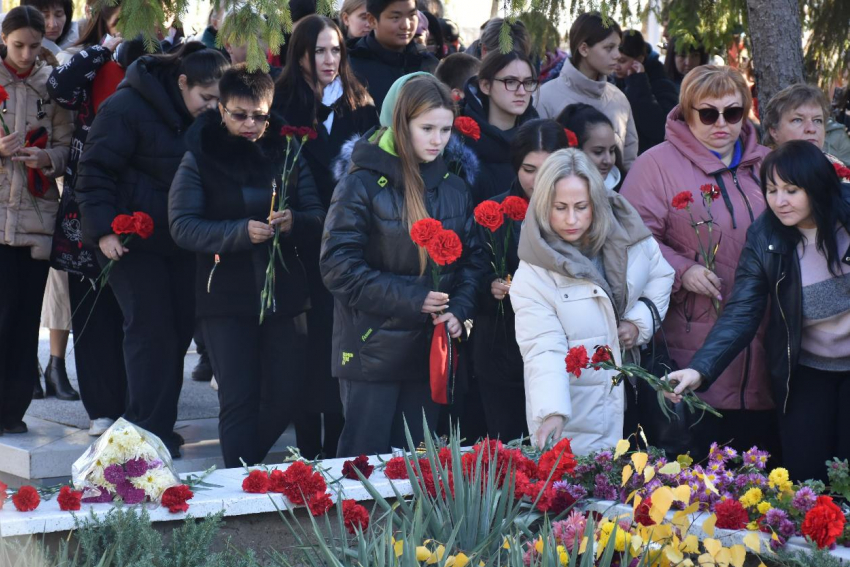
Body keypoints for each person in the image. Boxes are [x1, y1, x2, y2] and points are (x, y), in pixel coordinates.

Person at [76, 43, 230, 457]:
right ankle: (144, 432)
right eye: (207, 98)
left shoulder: (205, 117)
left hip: (181, 239)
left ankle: (158, 426)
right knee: (150, 330)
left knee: (179, 330)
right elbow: (94, 170)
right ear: (182, 82)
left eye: (221, 100)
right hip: (129, 241)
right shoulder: (127, 106)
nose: (214, 108)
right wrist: (104, 230)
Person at [320, 74, 486, 457]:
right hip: (371, 350)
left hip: (428, 353)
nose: (437, 139)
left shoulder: (454, 187)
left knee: (415, 468)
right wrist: (415, 298)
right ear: (400, 123)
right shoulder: (359, 184)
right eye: (426, 128)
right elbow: (337, 266)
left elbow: (473, 262)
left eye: (445, 129)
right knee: (364, 468)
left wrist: (460, 311)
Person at [666, 141, 850, 482]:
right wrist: (700, 370)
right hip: (806, 371)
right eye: (771, 190)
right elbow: (742, 311)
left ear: (817, 186)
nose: (780, 201)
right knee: (807, 474)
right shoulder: (766, 235)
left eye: (791, 190)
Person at [169, 67, 324, 468]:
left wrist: (295, 222)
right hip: (226, 295)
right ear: (221, 110)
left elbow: (317, 215)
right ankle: (241, 481)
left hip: (286, 293)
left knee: (287, 392)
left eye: (260, 116)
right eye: (240, 115)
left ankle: (244, 472)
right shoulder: (200, 155)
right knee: (238, 396)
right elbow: (182, 225)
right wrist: (239, 232)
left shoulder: (287, 151)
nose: (251, 124)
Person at [620, 65, 776, 462]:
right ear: (687, 112)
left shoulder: (768, 165)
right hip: (689, 342)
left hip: (763, 344)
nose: (722, 123)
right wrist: (682, 269)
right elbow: (631, 239)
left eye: (733, 112)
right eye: (708, 113)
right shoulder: (655, 166)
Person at [511, 148, 674, 453]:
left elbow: (661, 275)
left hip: (637, 399)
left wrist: (638, 324)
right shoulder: (533, 271)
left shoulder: (627, 233)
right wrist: (552, 412)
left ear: (596, 202)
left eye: (581, 206)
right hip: (581, 412)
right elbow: (543, 347)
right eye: (560, 207)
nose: (571, 219)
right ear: (544, 204)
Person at [272, 14, 378, 458]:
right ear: (301, 54)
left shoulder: (361, 103)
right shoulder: (281, 106)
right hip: (298, 244)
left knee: (341, 346)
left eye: (336, 49)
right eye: (319, 50)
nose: (329, 59)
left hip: (349, 244)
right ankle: (307, 450)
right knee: (307, 350)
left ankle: (339, 447)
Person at [48, 6, 155, 435]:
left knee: (140, 314)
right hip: (88, 197)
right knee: (91, 310)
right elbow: (60, 89)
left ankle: (138, 406)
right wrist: (102, 51)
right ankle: (101, 409)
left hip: (140, 200)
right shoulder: (86, 57)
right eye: (120, 18)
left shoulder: (161, 60)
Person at [0, 5, 73, 434]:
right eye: (17, 46)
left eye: (33, 45)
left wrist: (46, 157)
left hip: (35, 219)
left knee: (25, 318)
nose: (26, 54)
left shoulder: (54, 85)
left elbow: (68, 146)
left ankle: (13, 409)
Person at [474, 119, 569, 441]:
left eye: (549, 168)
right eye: (529, 169)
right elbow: (470, 273)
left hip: (568, 352)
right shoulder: (493, 212)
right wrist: (489, 286)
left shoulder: (582, 212)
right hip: (503, 354)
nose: (538, 179)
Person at [535, 12, 638, 169]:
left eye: (618, 47)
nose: (617, 55)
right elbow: (536, 164)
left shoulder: (618, 98)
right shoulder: (545, 97)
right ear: (584, 49)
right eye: (609, 48)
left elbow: (629, 160)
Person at [455, 50, 539, 204]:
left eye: (527, 83)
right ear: (486, 86)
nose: (521, 92)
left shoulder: (540, 137)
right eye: (511, 81)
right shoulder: (458, 141)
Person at [347, 0, 438, 111]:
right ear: (372, 20)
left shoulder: (429, 64)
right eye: (395, 17)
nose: (406, 25)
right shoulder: (350, 67)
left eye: (412, 15)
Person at [614, 30, 678, 154]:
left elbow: (659, 128)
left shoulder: (661, 83)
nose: (616, 66)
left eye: (622, 61)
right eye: (614, 59)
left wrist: (638, 82)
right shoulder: (612, 81)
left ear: (639, 60)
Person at [761, 83, 850, 165]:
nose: (811, 129)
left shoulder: (835, 167)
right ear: (774, 131)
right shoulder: (759, 172)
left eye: (817, 120)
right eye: (797, 120)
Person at [557, 103, 624, 192]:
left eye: (612, 151)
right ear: (573, 150)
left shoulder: (625, 188)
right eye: (598, 152)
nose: (608, 160)